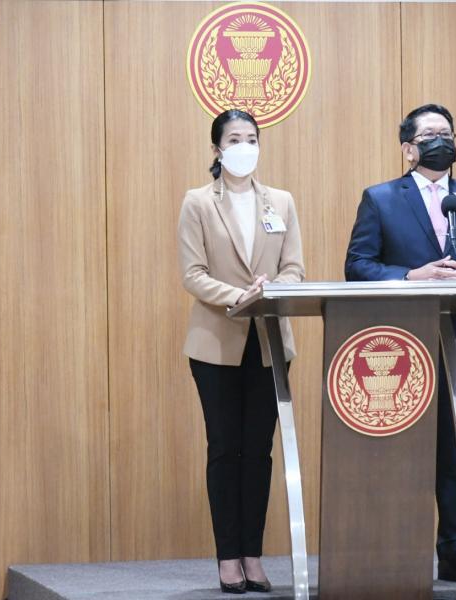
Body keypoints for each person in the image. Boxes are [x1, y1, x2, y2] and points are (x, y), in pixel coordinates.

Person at [344, 103, 456, 585]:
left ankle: (453, 551)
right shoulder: (380, 198)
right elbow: (357, 266)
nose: (442, 142)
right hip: (399, 345)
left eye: (448, 134)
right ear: (408, 149)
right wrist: (410, 276)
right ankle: (393, 548)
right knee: (401, 450)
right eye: (431, 135)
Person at [177, 109, 305, 594]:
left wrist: (273, 289)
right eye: (234, 139)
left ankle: (253, 553)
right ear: (217, 149)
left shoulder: (281, 201)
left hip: (270, 344)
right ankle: (228, 556)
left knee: (259, 452)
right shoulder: (198, 202)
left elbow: (294, 268)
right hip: (216, 345)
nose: (244, 146)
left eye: (251, 138)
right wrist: (241, 297)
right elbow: (193, 274)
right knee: (224, 449)